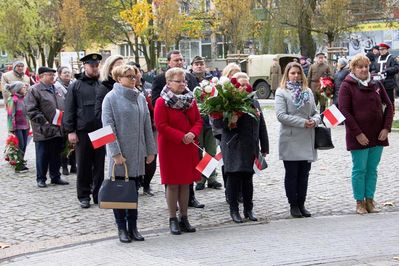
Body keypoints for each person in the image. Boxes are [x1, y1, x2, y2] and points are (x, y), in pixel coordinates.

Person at [102, 64, 156, 243]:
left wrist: (150, 150)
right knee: (120, 192)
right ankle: (122, 228)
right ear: (119, 79)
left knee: (132, 190)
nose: (133, 79)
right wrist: (115, 153)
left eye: (134, 76)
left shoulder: (140, 97)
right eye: (129, 77)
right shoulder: (110, 98)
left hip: (137, 152)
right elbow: (107, 128)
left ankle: (133, 227)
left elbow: (147, 125)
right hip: (120, 154)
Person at [338, 54, 393, 215]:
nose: (363, 69)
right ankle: (359, 202)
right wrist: (358, 133)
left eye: (366, 66)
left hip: (378, 135)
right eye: (359, 67)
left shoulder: (376, 83)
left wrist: (386, 128)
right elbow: (345, 112)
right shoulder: (347, 86)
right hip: (359, 136)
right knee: (359, 169)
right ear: (353, 68)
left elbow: (389, 106)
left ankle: (370, 200)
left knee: (372, 169)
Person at [212, 72, 269, 223]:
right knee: (234, 179)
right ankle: (234, 210)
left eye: (246, 84)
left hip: (250, 145)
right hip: (233, 145)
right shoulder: (227, 103)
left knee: (248, 179)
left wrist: (264, 146)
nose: (244, 87)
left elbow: (261, 125)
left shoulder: (254, 103)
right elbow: (217, 125)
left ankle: (248, 209)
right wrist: (230, 120)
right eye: (241, 84)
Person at [151, 50, 204, 208]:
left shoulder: (190, 96)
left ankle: (185, 213)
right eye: (176, 60)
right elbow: (161, 125)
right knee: (173, 183)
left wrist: (192, 133)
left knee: (187, 180)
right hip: (171, 144)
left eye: (181, 59)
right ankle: (173, 216)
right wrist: (181, 136)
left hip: (188, 143)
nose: (183, 84)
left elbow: (197, 119)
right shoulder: (162, 95)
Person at [275, 62, 321, 218]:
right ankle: (293, 205)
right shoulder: (282, 92)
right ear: (287, 74)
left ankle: (302, 203)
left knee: (304, 174)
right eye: (292, 73)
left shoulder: (307, 91)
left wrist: (315, 121)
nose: (296, 76)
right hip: (291, 138)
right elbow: (281, 116)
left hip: (307, 137)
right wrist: (302, 122)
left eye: (298, 73)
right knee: (292, 174)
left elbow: (316, 112)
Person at [63, 53, 105, 208]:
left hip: (101, 130)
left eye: (96, 65)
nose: (95, 68)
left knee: (99, 165)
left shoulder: (102, 83)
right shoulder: (76, 85)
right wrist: (70, 131)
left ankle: (98, 194)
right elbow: (69, 109)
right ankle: (84, 195)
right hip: (83, 131)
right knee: (84, 164)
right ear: (85, 66)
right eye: (91, 65)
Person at [25, 67, 69, 188]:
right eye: (49, 74)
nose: (52, 77)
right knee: (43, 155)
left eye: (53, 75)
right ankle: (41, 178)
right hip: (43, 129)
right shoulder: (34, 90)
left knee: (56, 154)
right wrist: (44, 122)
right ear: (41, 76)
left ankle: (55, 176)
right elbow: (31, 110)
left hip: (58, 128)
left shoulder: (56, 89)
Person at [190, 56, 222, 190]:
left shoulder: (212, 80)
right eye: (196, 64)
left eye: (201, 64)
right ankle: (200, 179)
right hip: (195, 123)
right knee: (197, 151)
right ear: (192, 66)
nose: (199, 66)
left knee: (211, 151)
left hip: (210, 122)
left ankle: (212, 177)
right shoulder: (188, 80)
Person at [128, 61, 157, 196]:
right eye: (131, 74)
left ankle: (147, 184)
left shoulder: (149, 87)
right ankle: (136, 181)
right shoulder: (127, 90)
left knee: (151, 156)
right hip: (133, 130)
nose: (135, 76)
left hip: (151, 127)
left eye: (137, 72)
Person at [55, 66, 77, 176]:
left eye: (68, 72)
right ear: (59, 75)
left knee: (75, 143)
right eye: (64, 73)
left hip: (75, 117)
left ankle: (73, 165)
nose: (67, 74)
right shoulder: (56, 87)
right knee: (64, 143)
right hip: (63, 118)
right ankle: (64, 166)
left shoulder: (75, 84)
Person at [6, 81, 30, 173]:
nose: (25, 88)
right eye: (23, 87)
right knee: (20, 145)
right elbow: (10, 115)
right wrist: (11, 128)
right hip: (17, 127)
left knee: (24, 145)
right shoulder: (13, 99)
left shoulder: (24, 98)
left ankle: (21, 162)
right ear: (18, 89)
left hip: (25, 125)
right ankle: (18, 165)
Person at [95, 55, 124, 120]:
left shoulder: (127, 85)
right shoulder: (104, 87)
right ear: (110, 69)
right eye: (118, 65)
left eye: (123, 66)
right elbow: (99, 113)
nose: (122, 68)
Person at [373, 43, 399, 108]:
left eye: (382, 49)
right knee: (379, 100)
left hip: (389, 84)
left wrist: (386, 70)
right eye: (380, 49)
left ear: (386, 49)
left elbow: (396, 68)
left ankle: (391, 115)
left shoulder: (392, 58)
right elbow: (373, 68)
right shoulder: (377, 58)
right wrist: (373, 73)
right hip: (378, 84)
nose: (381, 51)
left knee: (389, 101)